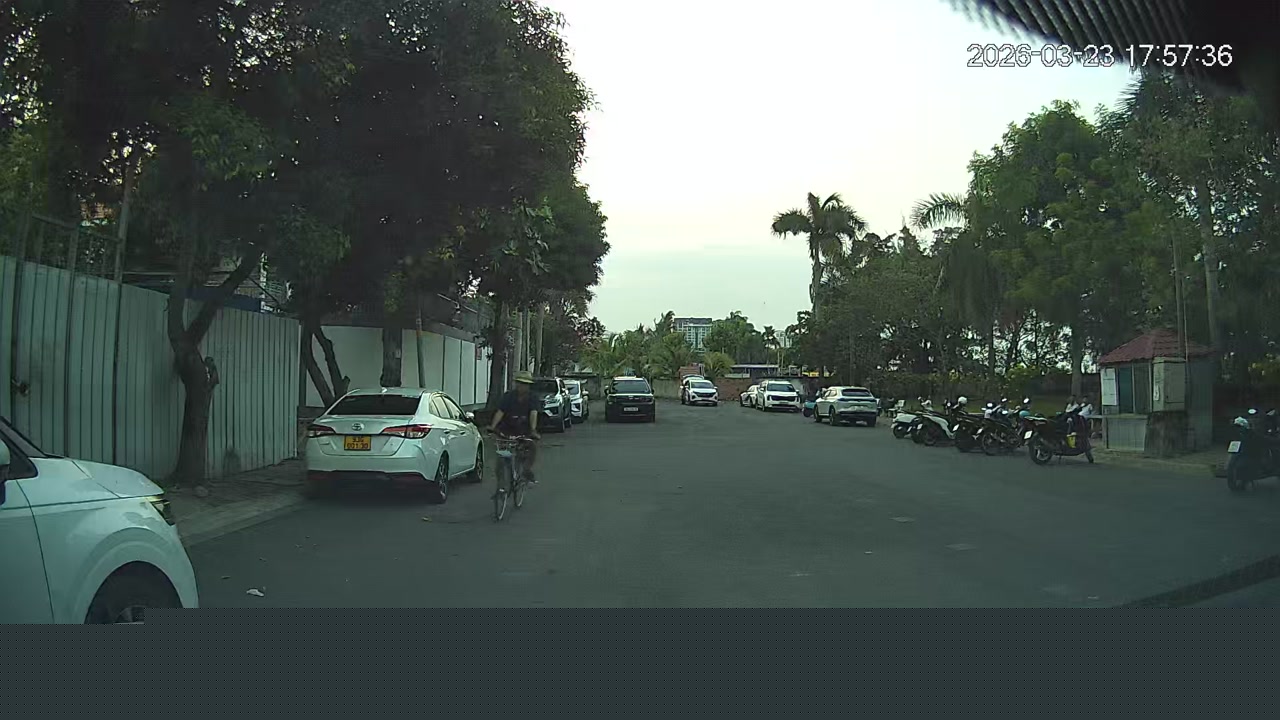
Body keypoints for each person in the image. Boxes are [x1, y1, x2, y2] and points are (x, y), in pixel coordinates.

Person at [487, 370, 541, 483]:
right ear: (516, 383)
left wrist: (533, 430)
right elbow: (500, 412)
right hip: (506, 430)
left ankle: (526, 469)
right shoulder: (508, 396)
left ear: (529, 385)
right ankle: (501, 484)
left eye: (525, 384)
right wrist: (493, 426)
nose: (522, 386)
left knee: (532, 447)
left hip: (524, 431)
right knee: (501, 456)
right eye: (520, 383)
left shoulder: (533, 397)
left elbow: (533, 413)